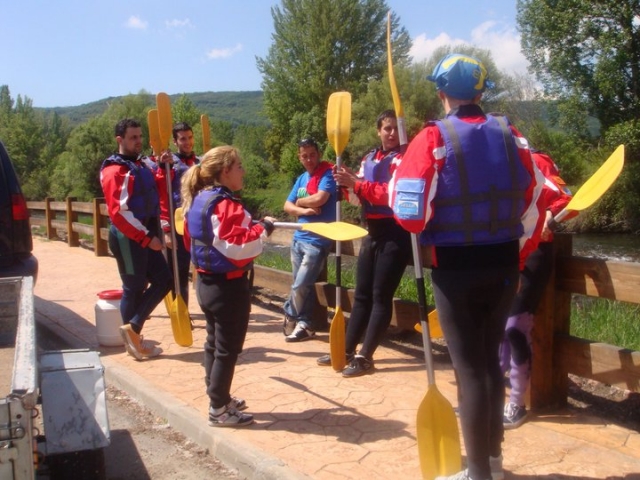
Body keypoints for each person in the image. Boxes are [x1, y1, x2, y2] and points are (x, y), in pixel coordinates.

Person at [389, 53, 544, 480]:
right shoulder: (511, 133)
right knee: (490, 364)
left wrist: (397, 179)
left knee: (470, 369)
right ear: (480, 91)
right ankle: (491, 459)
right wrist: (519, 250)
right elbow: (535, 200)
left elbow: (410, 215)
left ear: (442, 93)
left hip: (456, 269)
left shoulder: (431, 138)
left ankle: (477, 473)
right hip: (504, 264)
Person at [180, 145, 276, 427]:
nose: (243, 170)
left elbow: (198, 240)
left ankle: (218, 397)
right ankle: (219, 409)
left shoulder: (199, 199)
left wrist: (255, 227)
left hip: (206, 284)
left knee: (214, 344)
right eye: (239, 166)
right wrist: (264, 230)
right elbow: (239, 246)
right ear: (225, 171)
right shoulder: (224, 204)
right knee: (227, 349)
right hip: (227, 290)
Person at [316, 110, 411, 377]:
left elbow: (391, 195)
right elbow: (359, 198)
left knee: (381, 296)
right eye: (386, 129)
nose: (391, 133)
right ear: (378, 131)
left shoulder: (405, 159)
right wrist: (344, 183)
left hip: (397, 233)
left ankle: (365, 356)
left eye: (394, 128)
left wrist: (356, 184)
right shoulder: (369, 158)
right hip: (373, 232)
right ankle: (346, 349)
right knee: (361, 295)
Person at [500, 149, 573, 429]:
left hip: (535, 251)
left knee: (515, 327)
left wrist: (549, 218)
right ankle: (493, 396)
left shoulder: (536, 160)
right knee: (498, 327)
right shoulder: (486, 163)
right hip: (503, 251)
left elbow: (566, 198)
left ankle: (517, 404)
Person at [100, 118, 173, 360]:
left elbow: (154, 189)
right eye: (133, 137)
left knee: (165, 280)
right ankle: (133, 340)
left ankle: (132, 328)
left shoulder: (141, 165)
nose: (138, 141)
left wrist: (163, 168)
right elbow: (118, 213)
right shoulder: (115, 170)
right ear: (119, 140)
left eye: (140, 136)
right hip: (129, 237)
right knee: (133, 287)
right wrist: (146, 238)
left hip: (147, 233)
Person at [282, 138, 337, 342]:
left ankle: (289, 312)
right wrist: (304, 209)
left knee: (300, 284)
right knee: (302, 284)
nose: (309, 159)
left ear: (318, 153)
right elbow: (287, 206)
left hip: (317, 240)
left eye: (312, 154)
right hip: (298, 237)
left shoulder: (328, 173)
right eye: (304, 156)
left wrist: (300, 200)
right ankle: (305, 324)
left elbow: (320, 198)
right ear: (299, 157)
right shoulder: (301, 179)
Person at [156, 122, 200, 308]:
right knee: (179, 271)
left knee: (203, 267)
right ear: (175, 141)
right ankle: (181, 311)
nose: (187, 142)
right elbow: (163, 196)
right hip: (178, 225)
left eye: (189, 137)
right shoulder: (169, 165)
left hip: (198, 223)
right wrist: (166, 228)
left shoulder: (200, 163)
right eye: (182, 139)